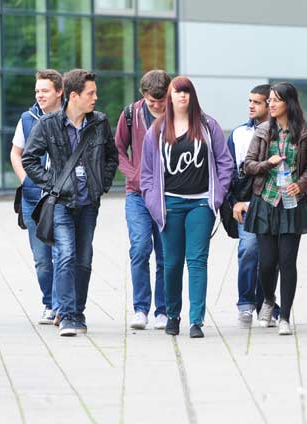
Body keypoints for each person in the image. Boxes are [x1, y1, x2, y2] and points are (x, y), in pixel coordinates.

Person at [22, 69, 119, 336]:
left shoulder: (99, 122)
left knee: (84, 259)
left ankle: (76, 311)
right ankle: (67, 315)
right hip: (62, 202)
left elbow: (112, 156)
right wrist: (53, 184)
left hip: (89, 204)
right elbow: (29, 158)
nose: (96, 98)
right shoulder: (49, 123)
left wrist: (102, 183)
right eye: (91, 93)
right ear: (74, 95)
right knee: (65, 255)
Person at [140, 76, 233, 339]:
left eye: (186, 92)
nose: (182, 96)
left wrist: (217, 196)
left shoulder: (207, 125)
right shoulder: (157, 129)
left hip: (201, 203)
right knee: (171, 264)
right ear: (170, 96)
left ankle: (196, 321)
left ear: (192, 96)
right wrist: (152, 200)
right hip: (169, 204)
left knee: (197, 261)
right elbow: (146, 173)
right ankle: (172, 314)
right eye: (177, 92)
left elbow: (225, 163)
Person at [242, 82, 307, 336]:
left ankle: (284, 317)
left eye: (275, 100)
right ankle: (268, 299)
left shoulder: (305, 132)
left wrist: (301, 184)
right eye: (270, 100)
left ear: (289, 103)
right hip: (265, 200)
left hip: (291, 203)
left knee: (287, 261)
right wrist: (267, 163)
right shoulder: (263, 130)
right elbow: (248, 165)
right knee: (266, 263)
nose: (271, 104)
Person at [115, 70, 171, 331]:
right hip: (136, 194)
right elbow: (117, 149)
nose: (157, 106)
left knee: (165, 254)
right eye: (152, 102)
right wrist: (133, 174)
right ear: (143, 96)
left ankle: (163, 309)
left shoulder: (178, 114)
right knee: (139, 249)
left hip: (168, 195)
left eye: (161, 101)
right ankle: (140, 309)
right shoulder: (130, 114)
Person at [9, 69, 63, 325]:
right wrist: (25, 179)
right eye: (37, 91)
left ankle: (62, 305)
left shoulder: (70, 118)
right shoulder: (27, 118)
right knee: (42, 259)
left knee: (62, 254)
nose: (40, 95)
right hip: (33, 200)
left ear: (59, 92)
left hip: (62, 199)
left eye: (45, 91)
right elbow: (15, 153)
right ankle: (49, 304)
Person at [227, 84, 281, 328]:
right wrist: (233, 202)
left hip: (275, 203)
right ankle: (246, 303)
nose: (251, 105)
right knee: (249, 250)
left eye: (257, 102)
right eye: (250, 101)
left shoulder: (284, 133)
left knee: (270, 258)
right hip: (246, 205)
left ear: (269, 105)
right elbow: (226, 173)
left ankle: (267, 304)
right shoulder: (238, 135)